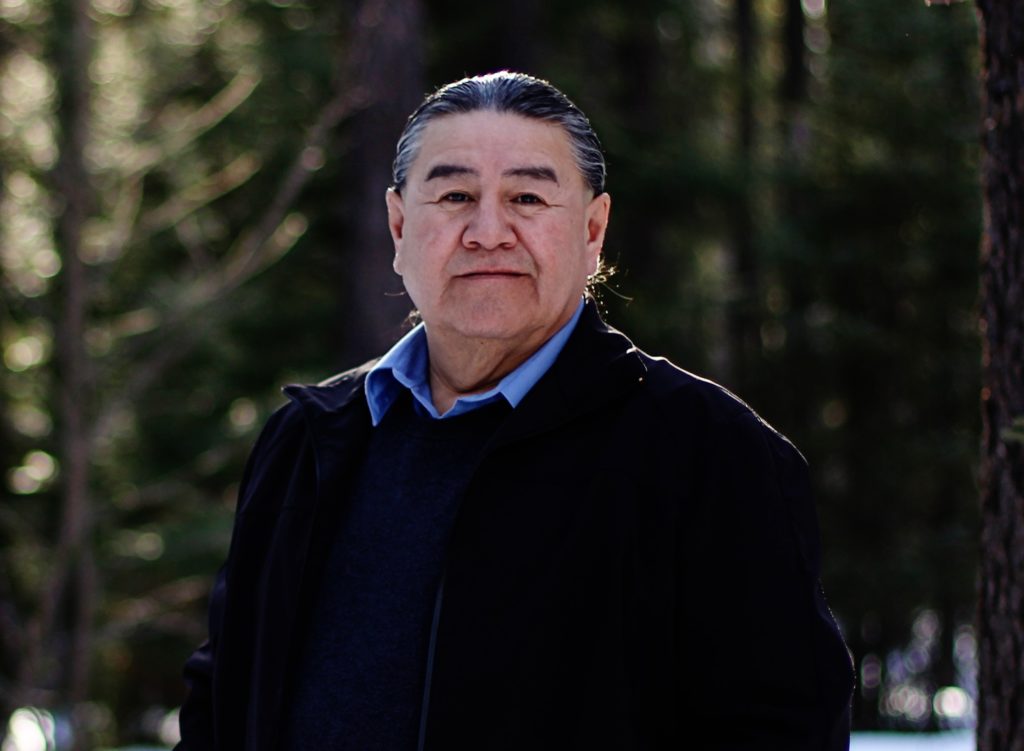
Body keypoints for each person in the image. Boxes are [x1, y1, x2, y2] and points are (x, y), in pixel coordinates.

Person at [176, 71, 854, 751]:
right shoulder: (307, 440)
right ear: (400, 225)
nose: (487, 231)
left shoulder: (708, 453)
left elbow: (784, 732)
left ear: (592, 231)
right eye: (455, 196)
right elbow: (223, 704)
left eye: (527, 197)